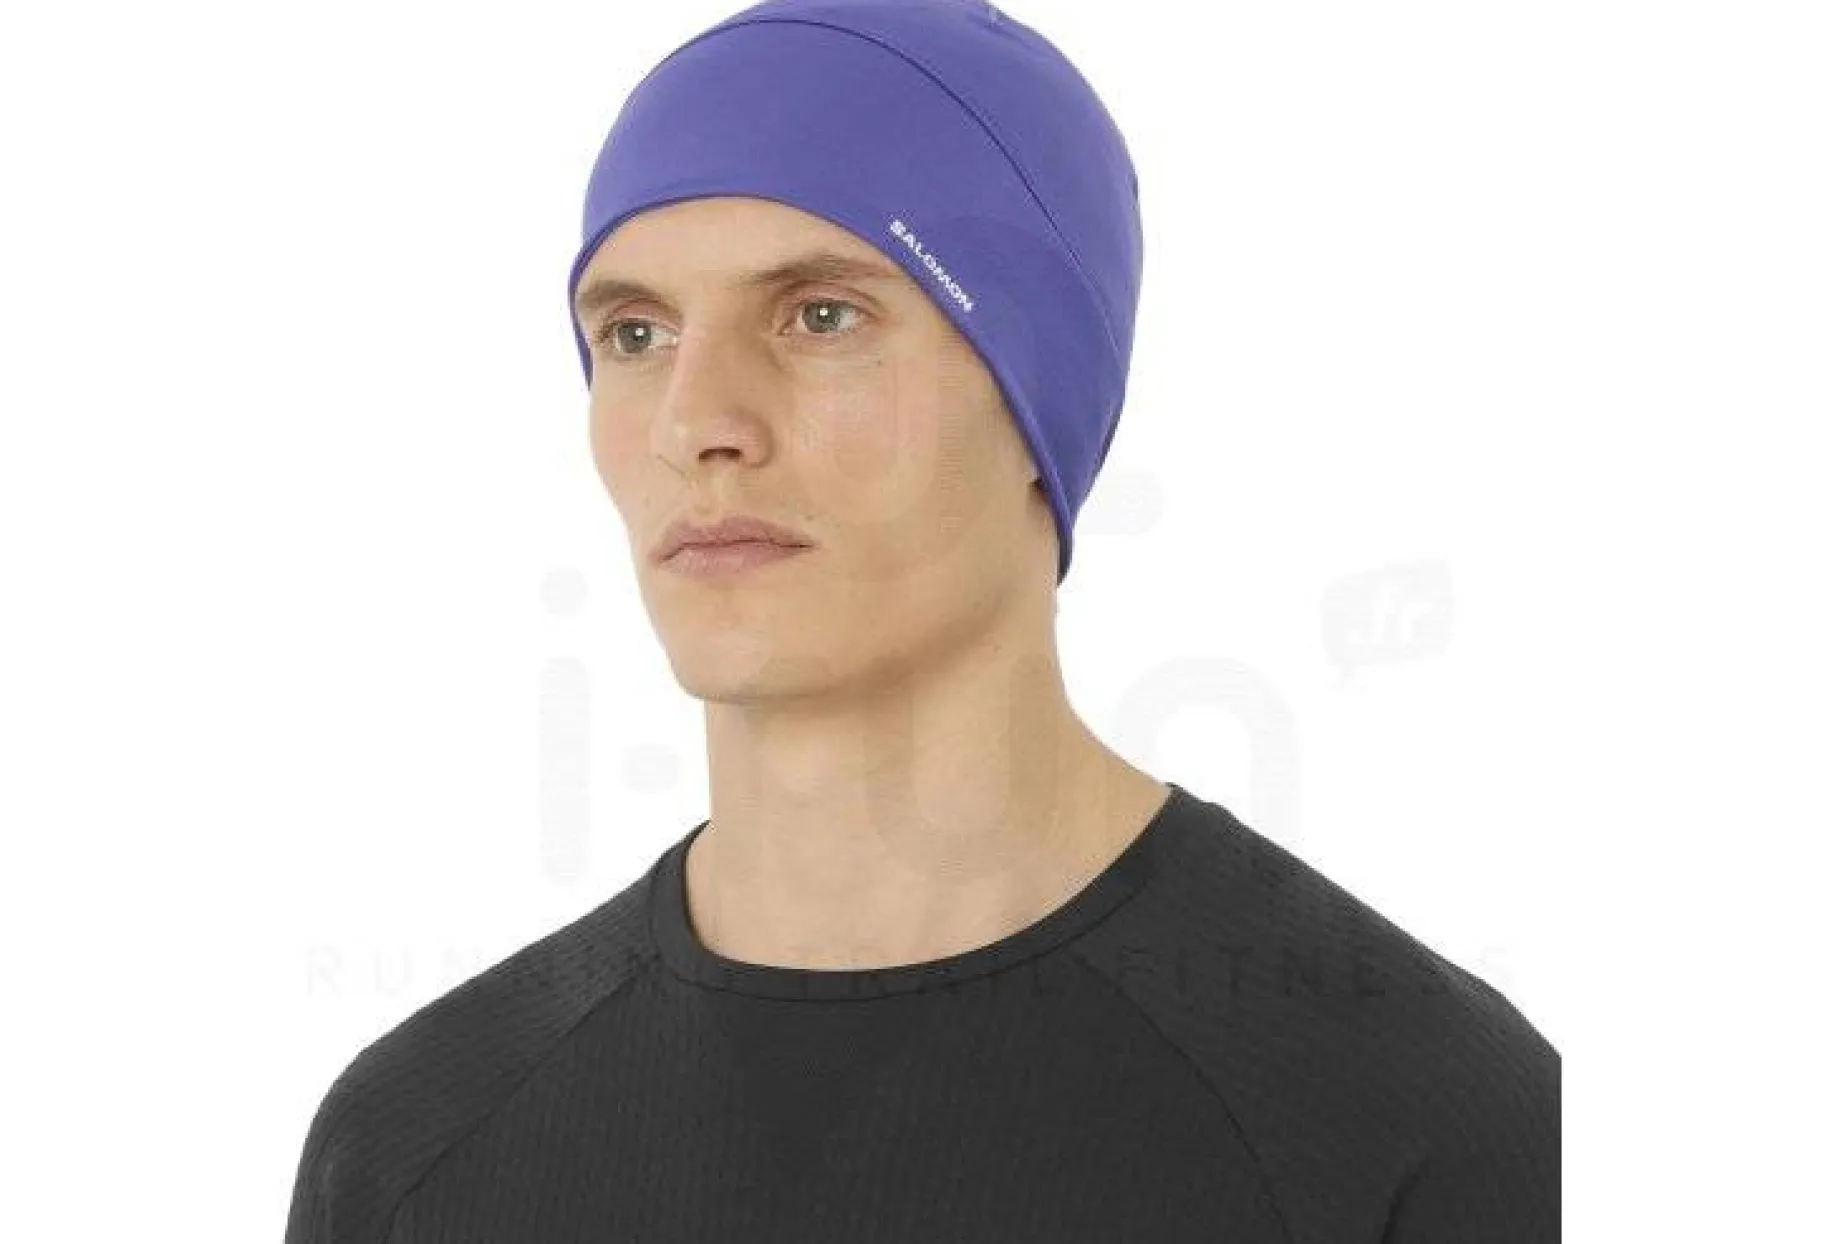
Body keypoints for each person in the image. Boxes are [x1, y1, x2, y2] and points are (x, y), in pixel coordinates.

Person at [284, 2, 1558, 1240]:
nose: (693, 421)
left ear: (1036, 392)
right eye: (634, 332)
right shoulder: (416, 1144)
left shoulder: (1411, 1123)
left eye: (820, 315)